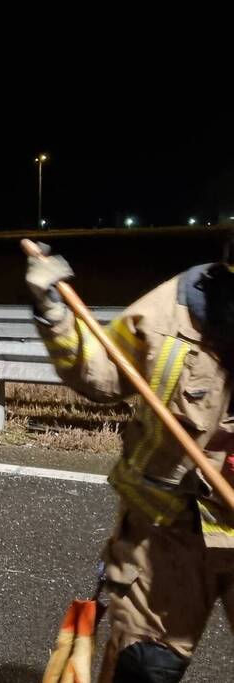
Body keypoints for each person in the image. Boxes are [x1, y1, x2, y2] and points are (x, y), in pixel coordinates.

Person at [27, 239, 234, 682]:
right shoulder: (176, 307)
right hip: (167, 535)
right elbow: (103, 372)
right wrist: (54, 312)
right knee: (143, 668)